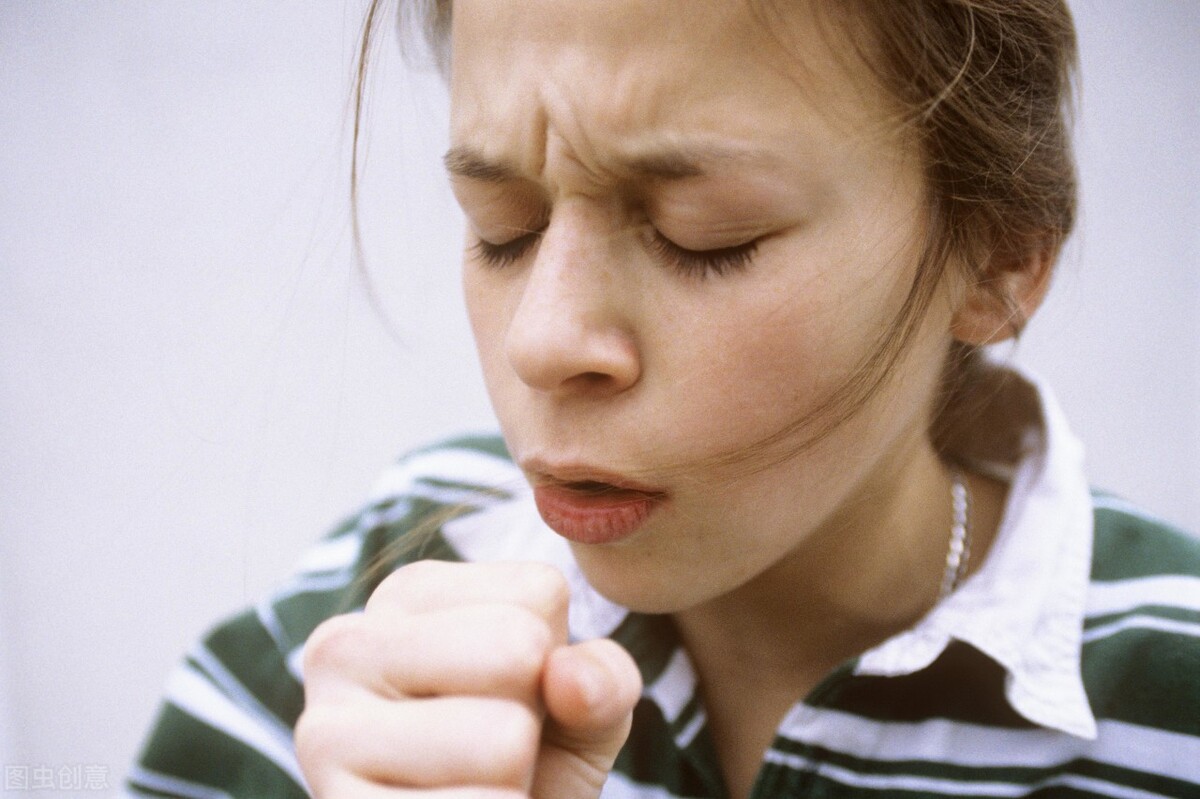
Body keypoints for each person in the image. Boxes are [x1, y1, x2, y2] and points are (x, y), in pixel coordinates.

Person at [126, 1, 1200, 797]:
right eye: (503, 226)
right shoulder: (355, 637)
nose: (543, 342)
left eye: (705, 238)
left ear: (1001, 255)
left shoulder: (1171, 704)